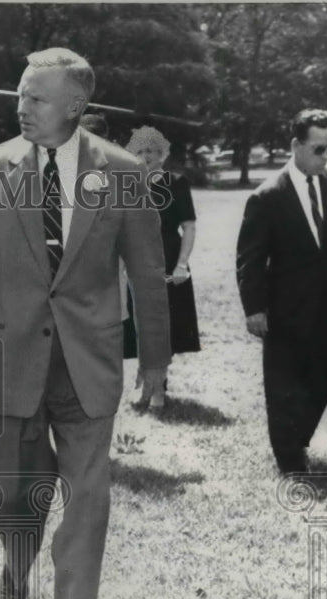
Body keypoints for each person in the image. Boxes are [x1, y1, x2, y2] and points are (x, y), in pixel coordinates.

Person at [0, 47, 170, 599]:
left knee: (86, 499)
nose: (22, 108)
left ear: (76, 106)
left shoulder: (122, 172)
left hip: (87, 365)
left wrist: (155, 363)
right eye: (20, 95)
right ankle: (15, 566)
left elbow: (148, 275)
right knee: (14, 494)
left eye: (36, 98)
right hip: (8, 362)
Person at [236, 109, 327, 476]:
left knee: (324, 376)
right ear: (296, 145)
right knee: (283, 386)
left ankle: (298, 440)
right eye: (318, 149)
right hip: (285, 311)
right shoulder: (267, 197)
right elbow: (250, 259)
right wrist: (255, 309)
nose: (325, 157)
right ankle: (290, 461)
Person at [125, 125, 201, 406]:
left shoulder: (176, 182)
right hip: (133, 257)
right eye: (140, 151)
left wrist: (182, 265)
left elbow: (189, 227)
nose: (146, 157)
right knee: (138, 322)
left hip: (167, 257)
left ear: (162, 154)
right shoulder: (127, 182)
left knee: (164, 324)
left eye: (152, 151)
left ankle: (158, 385)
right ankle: (141, 378)